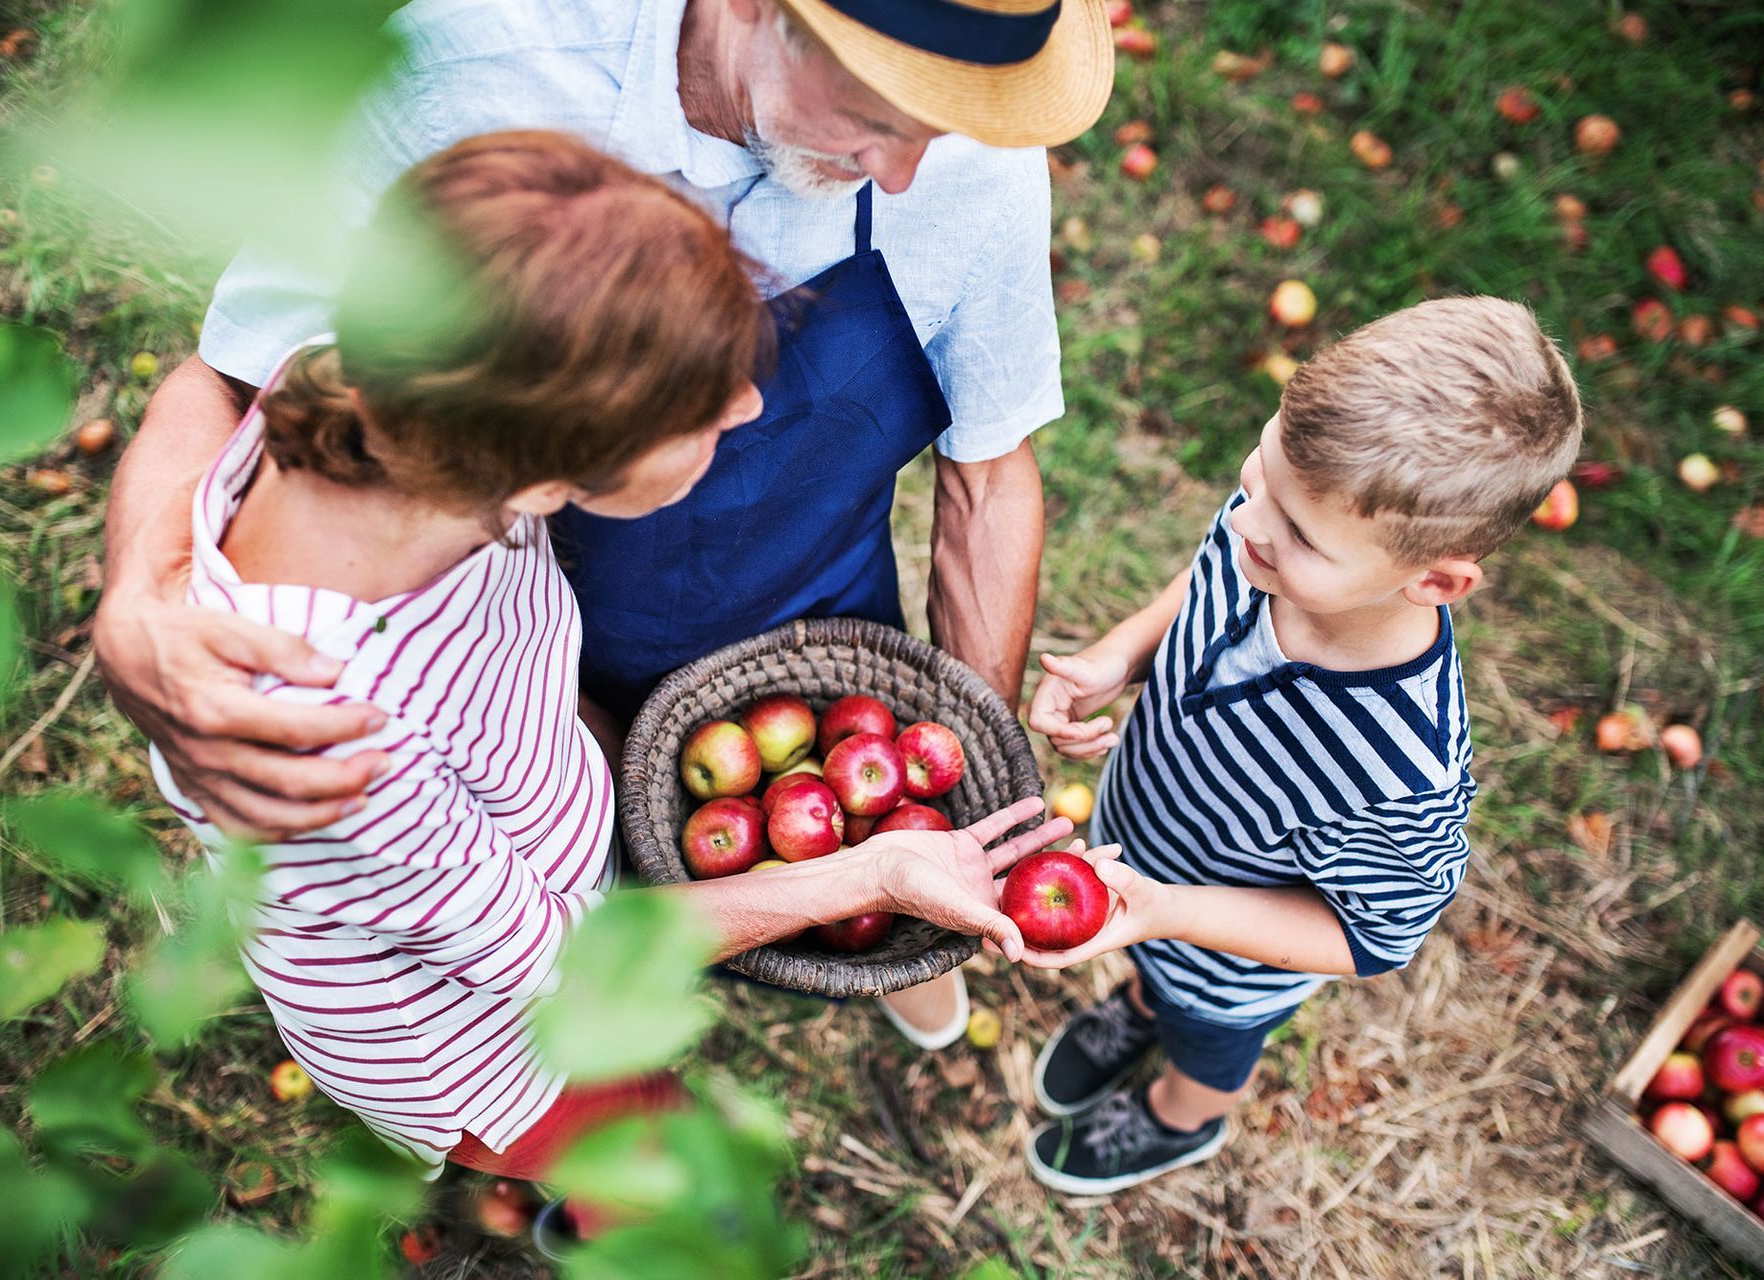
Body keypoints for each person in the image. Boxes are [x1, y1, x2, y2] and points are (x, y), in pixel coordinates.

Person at [93, 0, 1111, 1049]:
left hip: (817, 612)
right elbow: (242, 378)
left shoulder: (967, 132)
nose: (901, 173)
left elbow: (989, 475)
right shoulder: (469, 70)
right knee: (588, 939)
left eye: (931, 131)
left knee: (776, 884)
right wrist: (139, 590)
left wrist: (950, 790)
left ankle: (878, 929)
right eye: (869, 115)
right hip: (533, 657)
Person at [1018, 297, 1585, 1192]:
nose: (1246, 523)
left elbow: (1374, 937)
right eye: (1259, 474)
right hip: (1140, 859)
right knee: (1154, 979)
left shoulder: (1398, 769)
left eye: (1298, 532)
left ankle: (1178, 1120)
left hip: (1224, 958)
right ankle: (1140, 1000)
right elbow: (1194, 588)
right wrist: (1117, 656)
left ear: (1434, 580)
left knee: (1206, 1043)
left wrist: (1170, 915)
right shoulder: (1274, 528)